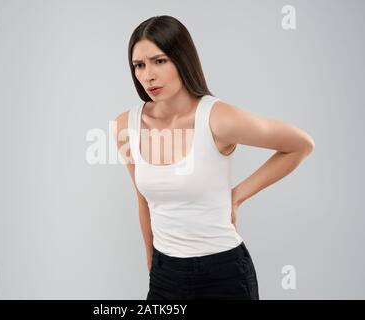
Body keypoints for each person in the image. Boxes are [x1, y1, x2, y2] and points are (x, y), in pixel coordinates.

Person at [112, 15, 315, 300]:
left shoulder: (217, 118)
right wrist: (153, 265)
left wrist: (237, 196)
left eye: (160, 61)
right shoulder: (125, 126)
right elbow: (143, 200)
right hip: (165, 274)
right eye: (139, 65)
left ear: (181, 59)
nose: (148, 75)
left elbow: (300, 145)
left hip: (224, 274)